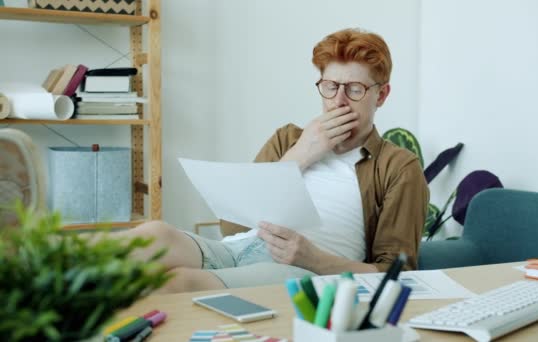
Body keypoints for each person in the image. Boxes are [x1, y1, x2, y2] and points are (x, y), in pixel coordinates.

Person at [110, 28, 429, 293]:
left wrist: (312, 258)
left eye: (355, 89)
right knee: (155, 234)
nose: (338, 102)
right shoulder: (289, 138)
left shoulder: (398, 167)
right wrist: (301, 155)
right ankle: (60, 286)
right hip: (237, 248)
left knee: (175, 283)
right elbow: (231, 226)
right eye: (330, 87)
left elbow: (394, 275)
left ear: (382, 95)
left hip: (305, 272)